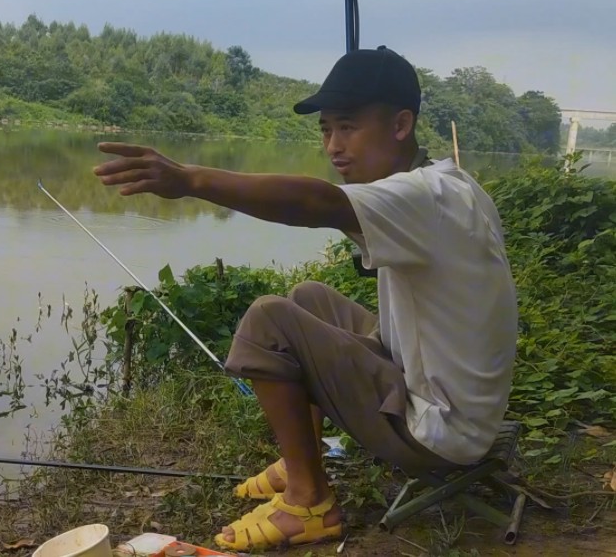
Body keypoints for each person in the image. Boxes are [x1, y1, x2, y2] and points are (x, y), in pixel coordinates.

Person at [92, 46, 519, 551]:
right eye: (326, 131)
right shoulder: (448, 184)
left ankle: (308, 502)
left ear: (401, 125)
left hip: (440, 431)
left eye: (348, 127)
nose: (334, 146)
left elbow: (317, 202)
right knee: (308, 297)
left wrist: (191, 180)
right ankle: (302, 459)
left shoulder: (423, 196)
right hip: (454, 400)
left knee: (269, 321)